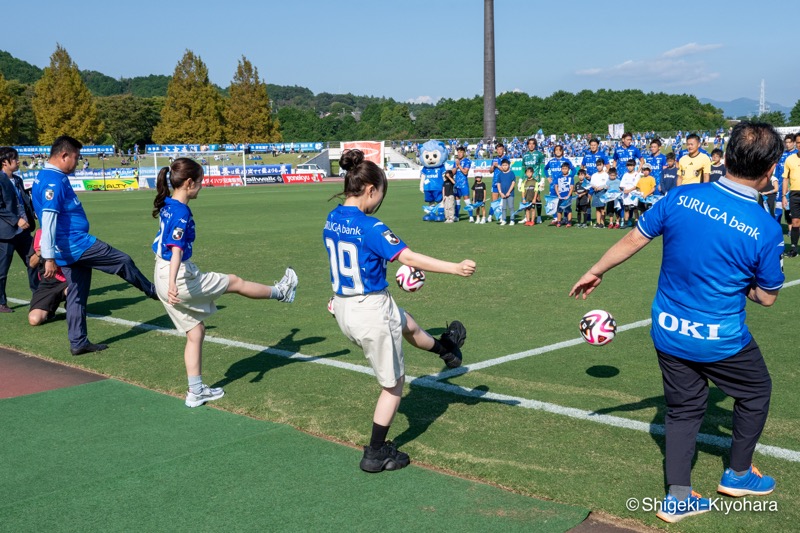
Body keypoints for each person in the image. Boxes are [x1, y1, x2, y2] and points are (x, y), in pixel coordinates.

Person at [570, 122, 785, 524]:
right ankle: (738, 474)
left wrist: (596, 270)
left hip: (668, 328)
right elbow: (767, 297)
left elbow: (635, 239)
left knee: (684, 410)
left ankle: (680, 496)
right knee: (756, 392)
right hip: (720, 338)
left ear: (727, 154)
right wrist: (743, 285)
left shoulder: (681, 197)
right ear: (771, 168)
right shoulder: (767, 229)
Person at [324, 149, 475, 472]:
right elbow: (408, 258)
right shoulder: (372, 226)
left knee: (405, 322)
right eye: (380, 195)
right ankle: (375, 453)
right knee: (393, 386)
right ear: (369, 190)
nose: (379, 202)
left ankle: (446, 349)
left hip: (345, 305)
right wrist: (455, 267)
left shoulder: (333, 217)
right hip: (370, 308)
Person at [153, 157, 298, 408]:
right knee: (234, 282)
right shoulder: (181, 211)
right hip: (177, 276)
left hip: (161, 272)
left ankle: (195, 392)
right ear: (188, 183)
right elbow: (175, 249)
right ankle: (282, 292)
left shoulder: (168, 204)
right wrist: (174, 282)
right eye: (200, 182)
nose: (202, 186)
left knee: (195, 331)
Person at [31, 135, 158, 356]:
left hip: (67, 246)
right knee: (122, 260)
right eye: (76, 158)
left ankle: (78, 342)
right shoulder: (53, 181)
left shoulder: (44, 177)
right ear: (64, 155)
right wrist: (48, 257)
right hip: (75, 243)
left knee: (77, 295)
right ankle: (153, 291)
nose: (77, 163)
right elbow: (48, 220)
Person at [0, 147, 38, 313]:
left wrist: (31, 213)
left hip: (24, 231)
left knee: (34, 262)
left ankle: (38, 296)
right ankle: (1, 302)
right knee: (2, 269)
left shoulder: (17, 179)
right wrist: (16, 221)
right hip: (6, 233)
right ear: (4, 162)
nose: (17, 161)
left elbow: (23, 201)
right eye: (14, 158)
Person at [27, 229, 67, 326]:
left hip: (69, 279)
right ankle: (51, 308)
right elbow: (31, 264)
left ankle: (72, 306)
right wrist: (40, 252)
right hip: (48, 281)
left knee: (73, 294)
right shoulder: (40, 233)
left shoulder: (68, 231)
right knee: (34, 320)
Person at [781, 132, 800, 256]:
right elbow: (785, 179)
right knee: (795, 222)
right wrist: (783, 196)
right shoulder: (790, 159)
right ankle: (793, 248)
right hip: (794, 194)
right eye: (798, 142)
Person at [488, 143, 506, 222]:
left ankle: (501, 216)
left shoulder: (506, 159)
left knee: (502, 201)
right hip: (495, 182)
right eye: (497, 149)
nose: (499, 151)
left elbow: (505, 170)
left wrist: (498, 166)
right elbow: (490, 171)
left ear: (503, 150)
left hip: (503, 182)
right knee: (494, 201)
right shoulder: (494, 159)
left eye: (500, 149)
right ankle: (490, 216)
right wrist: (493, 166)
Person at [619, 159, 640, 227]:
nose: (629, 167)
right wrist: (622, 189)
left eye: (631, 165)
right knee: (626, 209)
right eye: (628, 166)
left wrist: (629, 190)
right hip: (626, 195)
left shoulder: (637, 174)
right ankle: (625, 223)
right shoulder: (625, 174)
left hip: (633, 194)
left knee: (635, 209)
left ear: (634, 166)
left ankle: (636, 223)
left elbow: (636, 186)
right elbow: (622, 184)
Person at [453, 146, 472, 221]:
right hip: (456, 184)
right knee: (457, 201)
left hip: (463, 183)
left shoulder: (467, 161)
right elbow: (453, 172)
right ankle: (456, 217)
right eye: (458, 152)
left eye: (461, 152)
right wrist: (456, 167)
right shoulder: (456, 162)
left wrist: (459, 165)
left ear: (464, 153)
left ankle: (471, 216)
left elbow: (465, 172)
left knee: (467, 200)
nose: (459, 153)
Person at [496, 158, 516, 225]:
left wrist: (509, 192)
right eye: (503, 165)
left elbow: (513, 183)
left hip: (510, 194)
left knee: (511, 207)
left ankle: (512, 220)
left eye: (506, 165)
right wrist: (500, 192)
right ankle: (504, 219)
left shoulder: (511, 173)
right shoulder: (500, 174)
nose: (504, 166)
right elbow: (498, 183)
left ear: (509, 165)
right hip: (502, 194)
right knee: (503, 208)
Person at [554, 162, 574, 227]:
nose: (564, 170)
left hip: (567, 196)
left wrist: (569, 195)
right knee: (559, 210)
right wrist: (558, 194)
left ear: (568, 169)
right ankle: (559, 222)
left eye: (566, 169)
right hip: (560, 196)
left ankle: (569, 222)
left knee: (568, 209)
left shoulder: (571, 177)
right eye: (563, 169)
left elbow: (571, 187)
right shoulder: (558, 177)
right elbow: (556, 186)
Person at [590, 159, 609, 228]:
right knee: (597, 208)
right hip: (596, 192)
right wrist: (594, 187)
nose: (599, 167)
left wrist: (602, 187)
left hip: (603, 192)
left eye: (600, 165)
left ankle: (602, 223)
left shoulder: (606, 175)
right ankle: (598, 222)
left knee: (602, 208)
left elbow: (607, 184)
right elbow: (591, 183)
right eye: (597, 165)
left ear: (603, 165)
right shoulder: (594, 175)